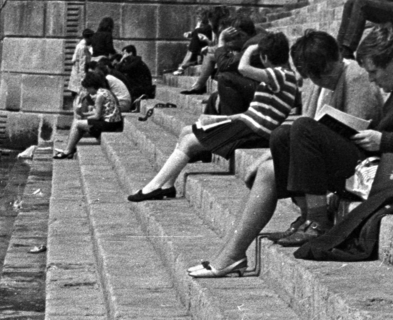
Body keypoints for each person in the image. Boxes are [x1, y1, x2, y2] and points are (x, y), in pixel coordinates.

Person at [184, 30, 386, 278]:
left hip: (360, 162)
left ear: (334, 61)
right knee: (277, 143)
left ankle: (315, 219)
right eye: (314, 77)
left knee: (298, 129)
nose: (320, 81)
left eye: (324, 75)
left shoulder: (355, 76)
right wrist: (266, 156)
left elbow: (355, 129)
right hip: (326, 157)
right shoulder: (321, 82)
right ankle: (231, 254)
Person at [249, 24, 393, 254]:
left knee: (304, 128)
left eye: (374, 72)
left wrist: (383, 140)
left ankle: (318, 220)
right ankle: (306, 217)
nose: (372, 80)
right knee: (282, 135)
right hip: (375, 162)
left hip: (387, 172)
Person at [127, 31, 300, 202]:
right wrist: (223, 119)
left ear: (264, 57)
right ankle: (167, 185)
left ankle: (153, 187)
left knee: (188, 142)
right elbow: (256, 112)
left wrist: (250, 49)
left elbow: (242, 68)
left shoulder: (280, 74)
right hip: (249, 124)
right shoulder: (284, 76)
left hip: (254, 130)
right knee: (187, 131)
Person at [54, 66, 124, 159]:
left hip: (109, 124)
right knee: (78, 121)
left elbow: (97, 116)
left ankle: (68, 150)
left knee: (77, 123)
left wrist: (83, 116)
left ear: (92, 86)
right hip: (114, 122)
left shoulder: (99, 96)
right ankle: (69, 149)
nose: (87, 91)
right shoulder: (105, 91)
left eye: (88, 88)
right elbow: (99, 113)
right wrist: (84, 115)